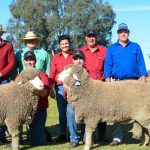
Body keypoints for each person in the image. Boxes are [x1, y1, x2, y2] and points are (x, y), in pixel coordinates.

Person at [104, 23, 147, 146]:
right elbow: (108, 66)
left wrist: (143, 83)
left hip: (134, 83)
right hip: (117, 84)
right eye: (121, 31)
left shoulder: (136, 47)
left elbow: (141, 65)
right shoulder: (112, 48)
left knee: (139, 110)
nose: (123, 33)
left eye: (125, 31)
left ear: (128, 33)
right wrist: (108, 85)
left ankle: (144, 136)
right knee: (117, 111)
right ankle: (117, 137)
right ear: (117, 33)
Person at [80, 29, 107, 142]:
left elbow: (108, 67)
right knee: (85, 110)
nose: (91, 38)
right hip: (86, 87)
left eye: (93, 36)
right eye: (89, 36)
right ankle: (85, 136)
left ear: (96, 37)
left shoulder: (103, 50)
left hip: (100, 86)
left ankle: (102, 136)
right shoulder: (81, 51)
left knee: (102, 110)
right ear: (85, 38)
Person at [22, 51, 51, 145]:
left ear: (35, 61)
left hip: (39, 110)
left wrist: (30, 87)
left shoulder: (42, 75)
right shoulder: (21, 75)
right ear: (24, 62)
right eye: (27, 60)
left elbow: (44, 93)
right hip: (24, 110)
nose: (29, 62)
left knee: (38, 142)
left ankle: (44, 133)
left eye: (31, 60)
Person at [49, 35, 73, 142]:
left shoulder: (74, 55)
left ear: (69, 44)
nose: (64, 45)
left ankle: (74, 134)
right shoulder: (55, 57)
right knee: (62, 112)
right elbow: (52, 74)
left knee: (72, 111)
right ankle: (63, 134)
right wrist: (50, 88)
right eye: (62, 44)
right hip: (59, 87)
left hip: (73, 87)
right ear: (59, 45)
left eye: (66, 43)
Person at [66, 50, 86, 148]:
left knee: (89, 113)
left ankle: (86, 137)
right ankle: (74, 138)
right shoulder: (69, 72)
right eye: (76, 59)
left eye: (80, 58)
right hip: (73, 100)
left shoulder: (87, 72)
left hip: (87, 101)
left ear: (84, 60)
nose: (78, 61)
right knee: (70, 111)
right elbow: (66, 88)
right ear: (72, 61)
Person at [0, 24, 15, 144]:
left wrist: (1, 73)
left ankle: (2, 136)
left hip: (3, 80)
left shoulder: (8, 46)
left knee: (4, 109)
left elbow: (11, 63)